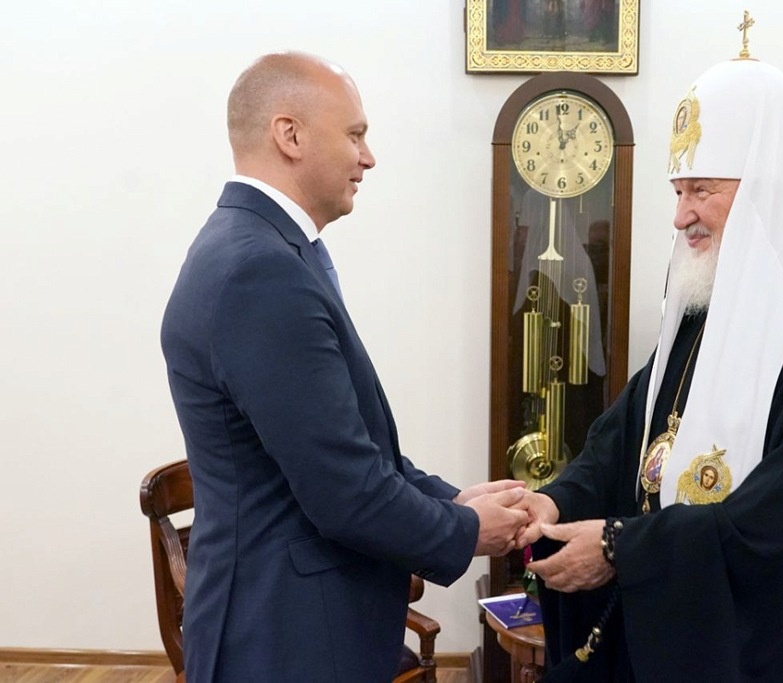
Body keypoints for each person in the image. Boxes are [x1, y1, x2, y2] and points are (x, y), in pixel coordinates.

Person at [515, 39, 783, 683]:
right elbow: (624, 439)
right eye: (677, 190)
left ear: (768, 189)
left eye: (701, 190)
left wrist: (622, 549)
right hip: (672, 636)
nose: (680, 215)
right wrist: (556, 501)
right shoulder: (705, 309)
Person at [160, 52, 528, 683]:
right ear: (290, 134)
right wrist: (466, 531)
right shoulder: (260, 271)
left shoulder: (261, 248)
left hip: (294, 624)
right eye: (355, 134)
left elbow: (349, 450)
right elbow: (344, 491)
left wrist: (451, 500)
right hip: (285, 637)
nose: (368, 157)